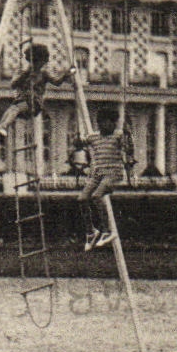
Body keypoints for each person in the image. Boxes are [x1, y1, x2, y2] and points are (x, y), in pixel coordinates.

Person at [0, 44, 74, 165]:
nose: (39, 65)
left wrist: (67, 74)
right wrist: (24, 76)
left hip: (34, 103)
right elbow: (13, 85)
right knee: (6, 118)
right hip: (22, 102)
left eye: (41, 63)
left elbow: (57, 82)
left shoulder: (44, 74)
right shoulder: (24, 72)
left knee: (13, 111)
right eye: (37, 63)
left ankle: (2, 127)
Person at [72, 107, 125, 251]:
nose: (104, 125)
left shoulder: (118, 135)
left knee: (97, 196)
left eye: (109, 123)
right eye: (101, 122)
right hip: (98, 174)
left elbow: (127, 145)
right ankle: (91, 232)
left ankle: (107, 230)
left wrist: (127, 143)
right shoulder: (94, 137)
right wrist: (77, 140)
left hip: (113, 173)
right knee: (82, 199)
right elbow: (79, 143)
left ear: (114, 123)